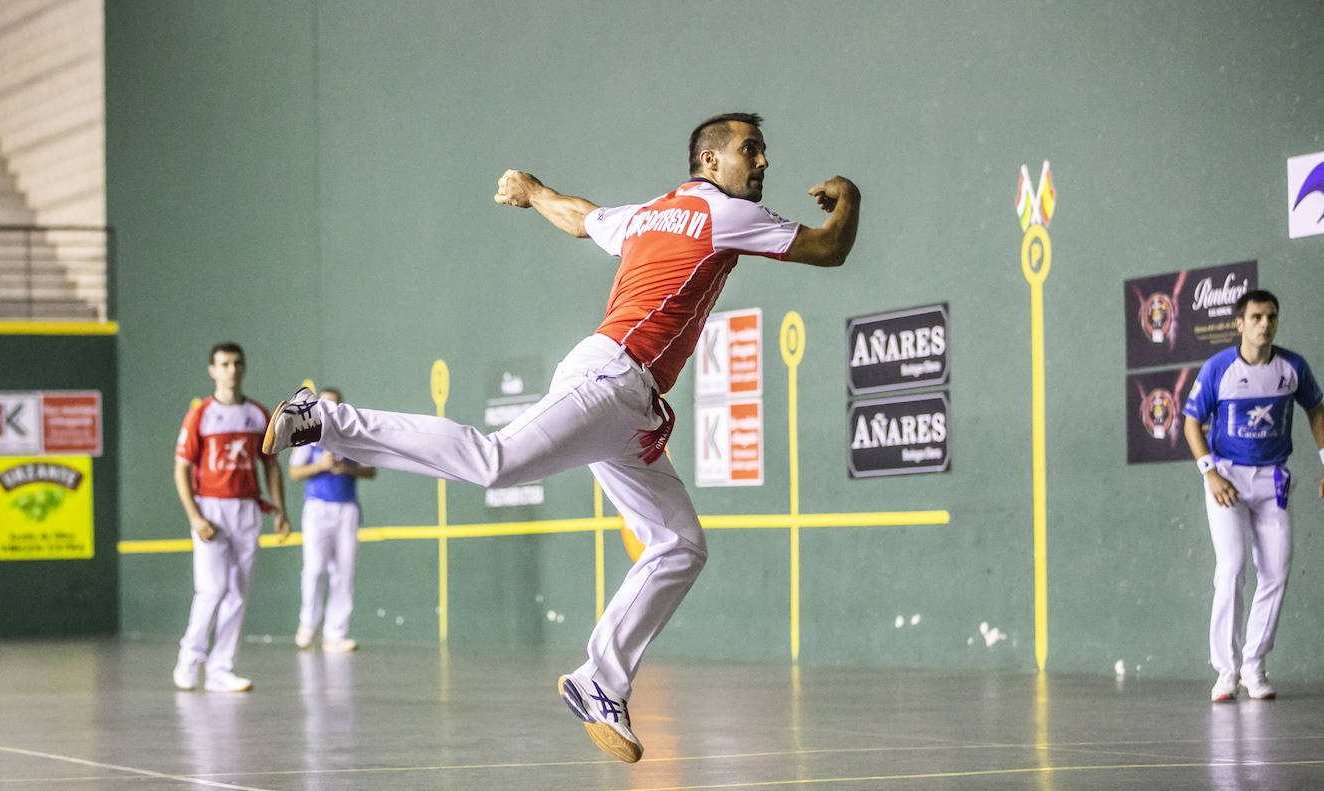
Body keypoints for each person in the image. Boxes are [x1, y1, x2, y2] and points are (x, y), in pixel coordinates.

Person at [263, 112, 860, 761]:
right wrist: (850, 198)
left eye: (764, 150)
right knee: (493, 461)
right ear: (711, 162)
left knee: (680, 544)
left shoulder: (651, 213)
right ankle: (325, 418)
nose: (764, 161)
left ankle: (600, 679)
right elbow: (830, 247)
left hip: (628, 404)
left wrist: (533, 190)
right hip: (609, 381)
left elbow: (581, 216)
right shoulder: (722, 212)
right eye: (752, 149)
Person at [1182, 290, 1324, 702]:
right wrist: (1209, 472)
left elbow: (1316, 409)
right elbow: (1192, 422)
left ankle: (1253, 666)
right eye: (1257, 317)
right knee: (1232, 569)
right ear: (1239, 323)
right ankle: (1225, 671)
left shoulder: (1292, 367)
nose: (1266, 324)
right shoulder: (1218, 369)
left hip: (1272, 481)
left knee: (1276, 573)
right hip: (1226, 479)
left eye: (1272, 317)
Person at [173, 342, 290, 692]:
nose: (231, 370)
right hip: (210, 508)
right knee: (211, 590)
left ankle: (221, 669)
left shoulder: (258, 414)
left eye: (237, 363)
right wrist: (195, 516)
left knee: (238, 592)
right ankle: (188, 660)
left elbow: (271, 466)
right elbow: (181, 469)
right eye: (224, 364)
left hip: (247, 509)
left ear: (244, 367)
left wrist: (280, 510)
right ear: (212, 370)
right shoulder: (200, 415)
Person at [288, 387, 376, 652]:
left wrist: (345, 468)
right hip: (317, 509)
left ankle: (335, 634)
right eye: (323, 404)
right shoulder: (306, 436)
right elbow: (294, 471)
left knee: (345, 572)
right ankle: (307, 624)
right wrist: (323, 466)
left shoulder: (352, 436)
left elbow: (371, 470)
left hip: (346, 509)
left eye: (333, 404)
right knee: (314, 569)